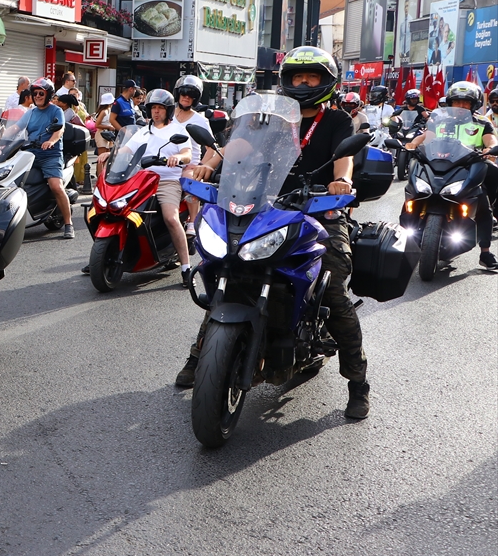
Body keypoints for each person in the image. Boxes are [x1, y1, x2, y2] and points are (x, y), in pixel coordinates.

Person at [181, 46, 372, 419]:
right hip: (264, 205)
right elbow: (234, 144)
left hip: (318, 209)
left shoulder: (335, 122)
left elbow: (344, 158)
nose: (303, 83)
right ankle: (199, 356)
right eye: (298, 77)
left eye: (311, 77)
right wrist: (207, 165)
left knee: (331, 288)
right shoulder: (268, 117)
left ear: (326, 82)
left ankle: (358, 381)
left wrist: (342, 181)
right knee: (227, 269)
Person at [404, 80, 498, 270]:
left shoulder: (482, 122)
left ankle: (485, 252)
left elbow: (490, 140)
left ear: (474, 105)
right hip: (438, 164)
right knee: (412, 192)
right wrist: (413, 144)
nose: (461, 106)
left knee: (483, 204)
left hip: (468, 166)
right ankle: (401, 238)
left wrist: (490, 148)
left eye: (466, 103)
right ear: (451, 103)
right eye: (457, 102)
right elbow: (426, 137)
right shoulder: (439, 120)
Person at [114, 90, 191, 282]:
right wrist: (111, 153)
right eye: (153, 108)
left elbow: (187, 154)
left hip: (166, 181)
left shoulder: (178, 131)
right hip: (139, 179)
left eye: (160, 108)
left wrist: (177, 157)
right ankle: (106, 255)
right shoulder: (142, 130)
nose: (156, 112)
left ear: (168, 111)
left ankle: (186, 268)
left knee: (171, 218)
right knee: (114, 208)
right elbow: (126, 149)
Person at [24, 77, 74, 238]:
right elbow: (16, 128)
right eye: (35, 93)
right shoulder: (30, 112)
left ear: (48, 94)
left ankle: (68, 224)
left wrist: (51, 141)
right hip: (30, 154)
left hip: (50, 155)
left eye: (41, 93)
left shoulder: (56, 111)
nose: (37, 96)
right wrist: (0, 137)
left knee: (56, 186)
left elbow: (60, 130)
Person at [174, 75, 214, 237]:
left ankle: (192, 220)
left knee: (190, 184)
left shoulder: (200, 120)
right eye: (184, 93)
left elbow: (211, 148)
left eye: (191, 95)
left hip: (189, 165)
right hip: (165, 163)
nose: (186, 97)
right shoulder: (167, 115)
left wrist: (200, 167)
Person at [92, 92, 118, 157]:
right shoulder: (104, 111)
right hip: (101, 134)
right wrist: (108, 127)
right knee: (102, 156)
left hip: (108, 134)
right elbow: (97, 125)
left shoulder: (109, 110)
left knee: (107, 156)